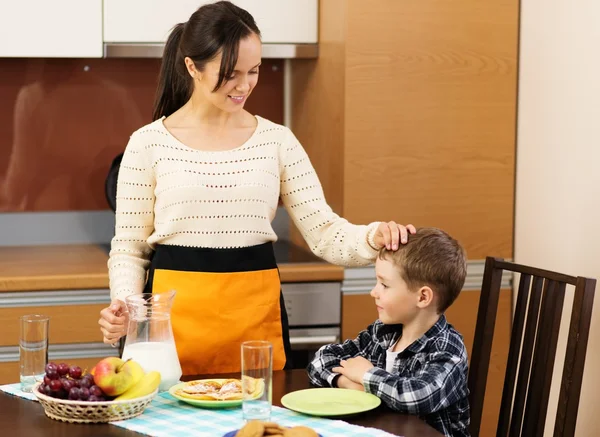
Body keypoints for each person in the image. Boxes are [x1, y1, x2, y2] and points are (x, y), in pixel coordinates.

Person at [98, 0, 415, 376]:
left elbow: (325, 232)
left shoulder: (277, 141)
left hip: (254, 327)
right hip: (168, 330)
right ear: (191, 67)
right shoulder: (148, 143)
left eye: (254, 71)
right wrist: (124, 306)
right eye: (231, 73)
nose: (244, 85)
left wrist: (374, 236)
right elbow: (130, 249)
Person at [307, 227, 470, 437]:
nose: (373, 292)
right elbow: (321, 359)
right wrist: (346, 382)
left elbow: (416, 395)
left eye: (384, 284)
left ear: (422, 298)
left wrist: (366, 376)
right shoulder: (384, 333)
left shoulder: (448, 350)